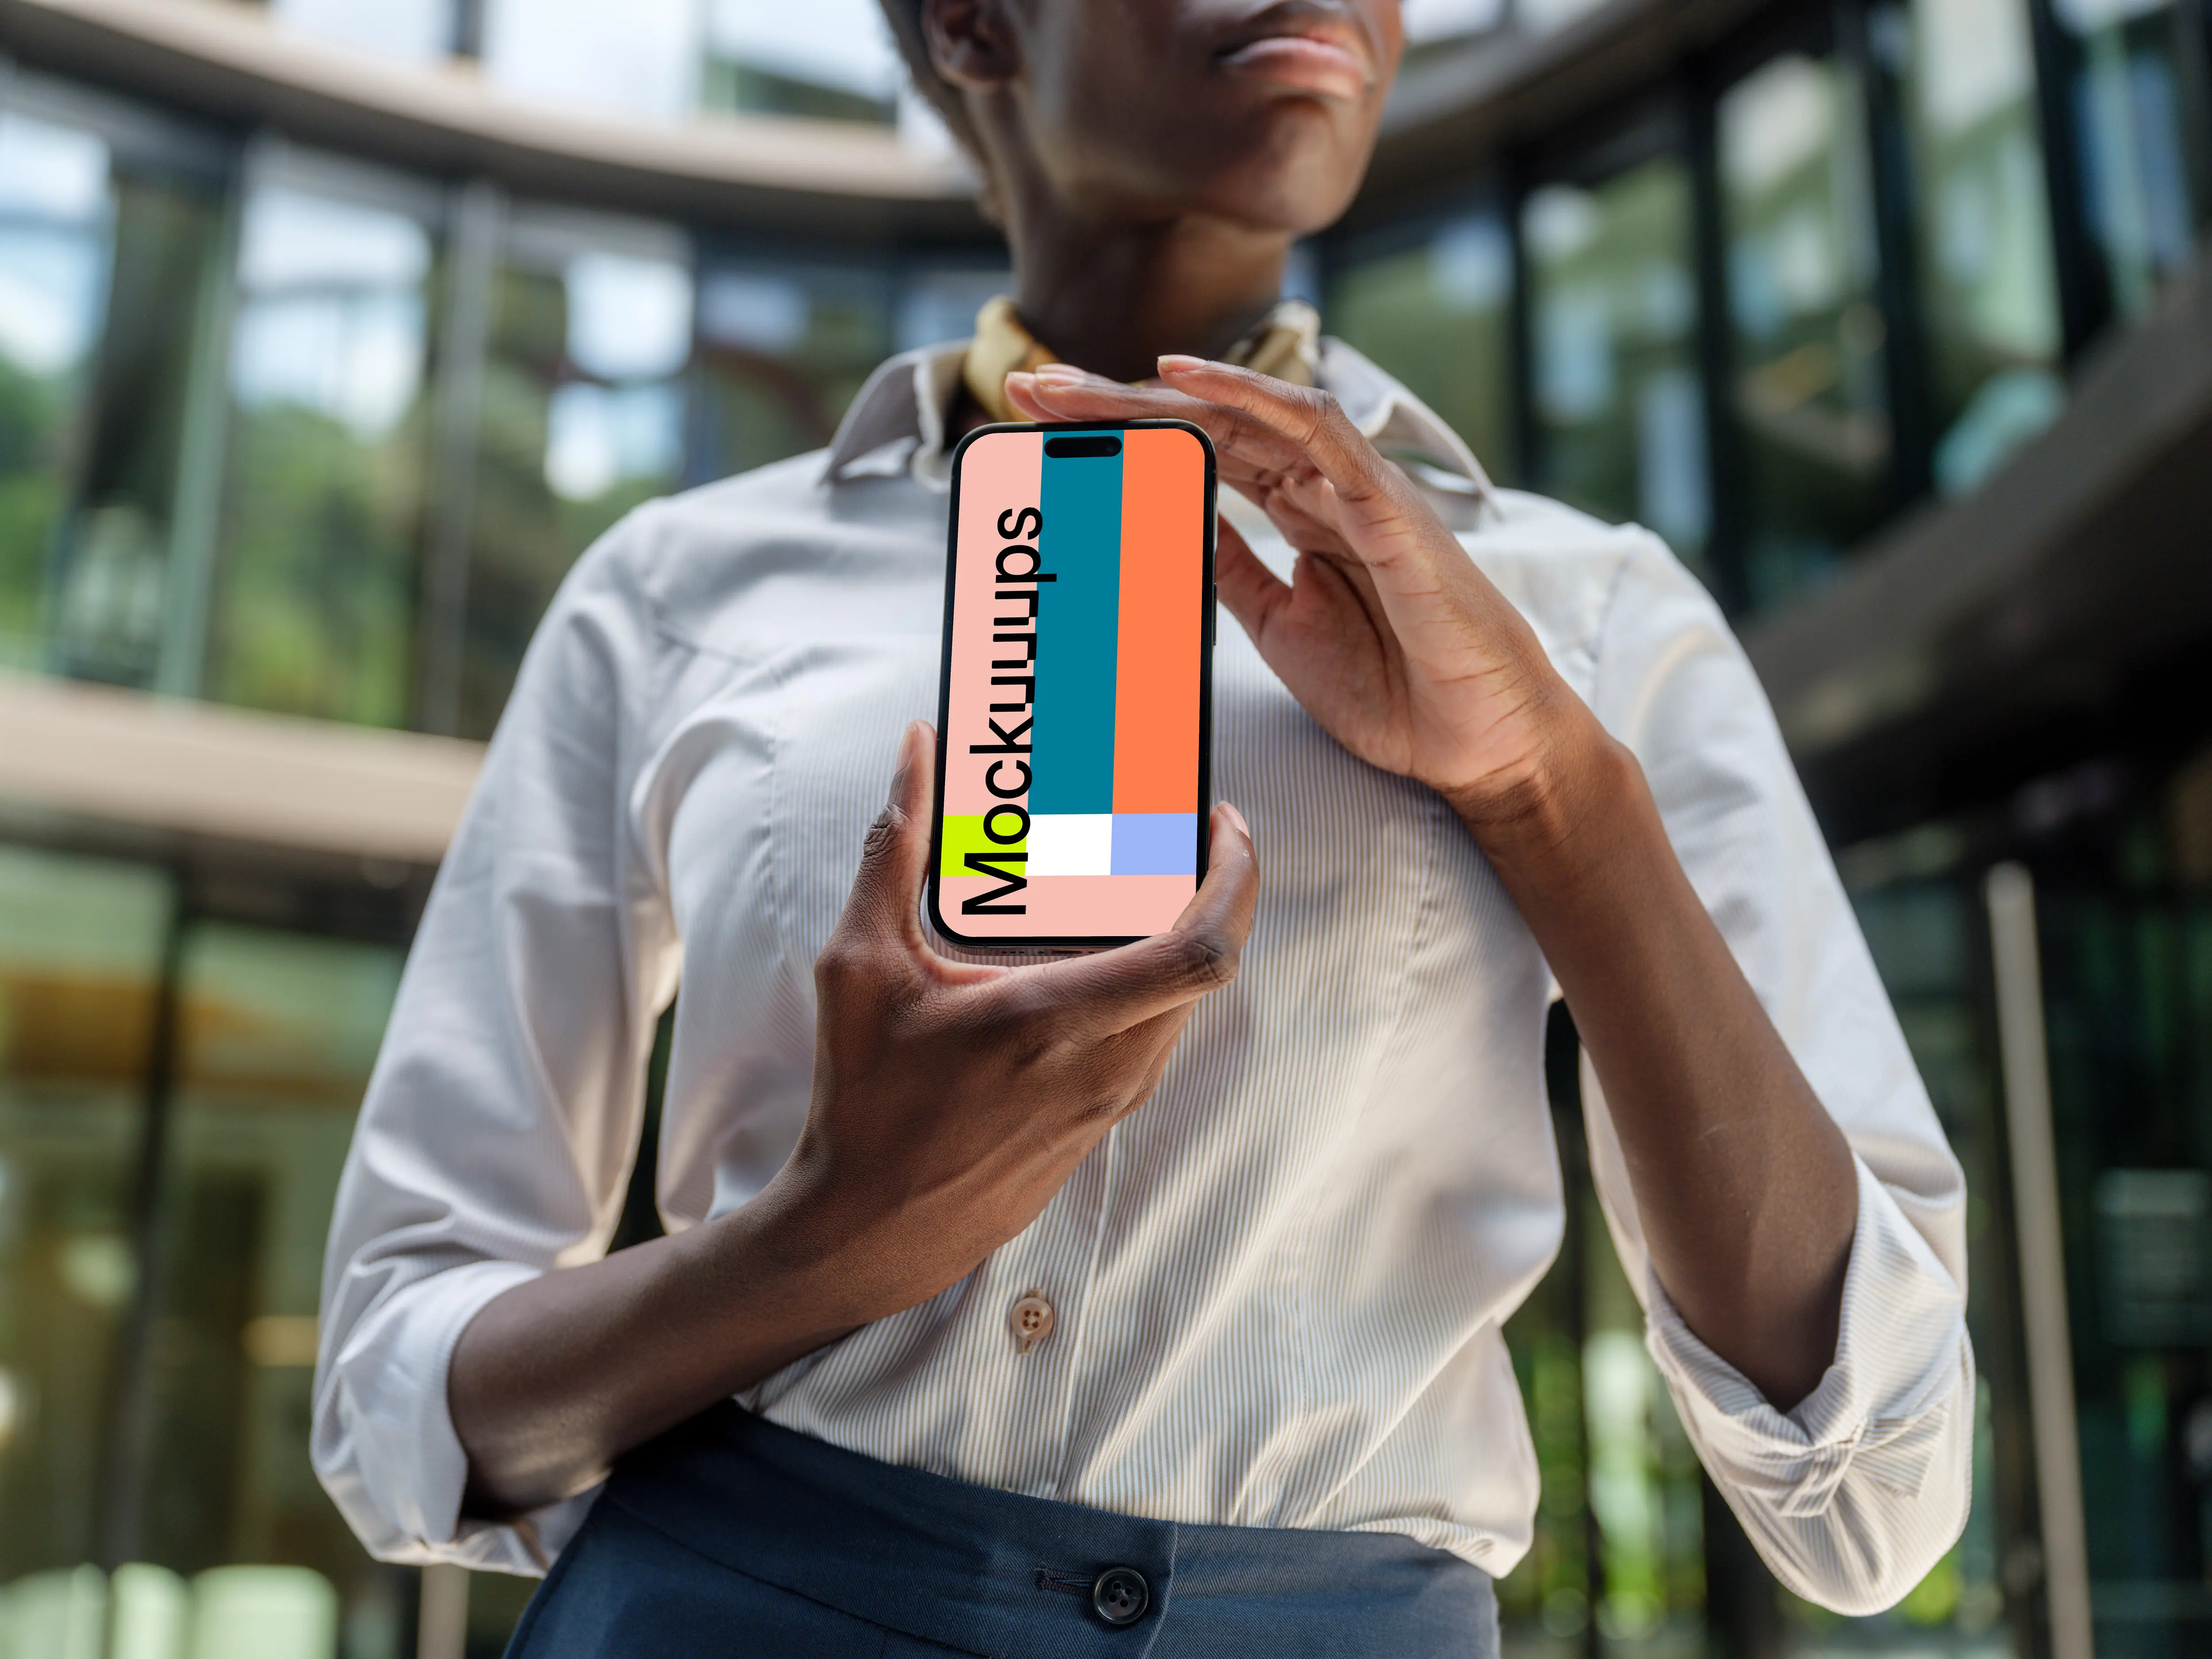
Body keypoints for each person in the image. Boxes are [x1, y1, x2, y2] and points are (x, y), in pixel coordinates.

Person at [313, 1, 1973, 1652]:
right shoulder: (673, 591)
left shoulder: (1589, 611)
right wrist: (826, 1236)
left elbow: (1876, 1490)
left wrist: (1546, 784)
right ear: (972, 24)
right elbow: (400, 1399)